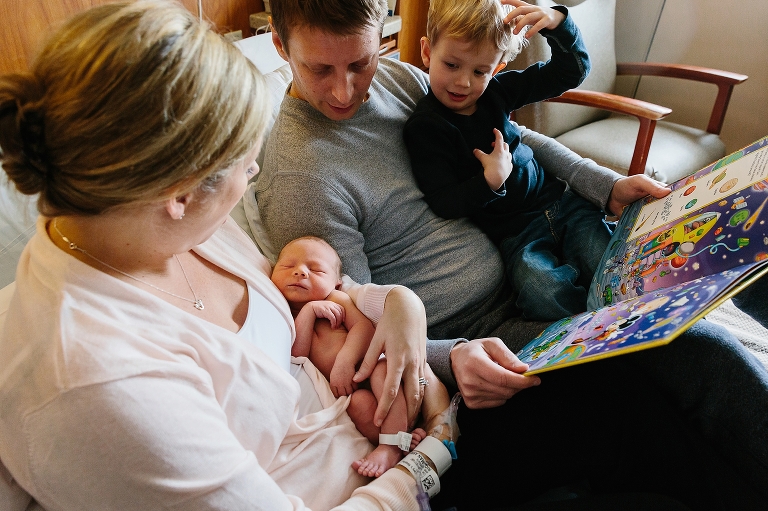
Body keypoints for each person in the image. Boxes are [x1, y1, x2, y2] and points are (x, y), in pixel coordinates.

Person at [254, 0, 768, 508]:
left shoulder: (400, 81)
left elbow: (515, 142)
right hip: (483, 342)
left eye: (359, 63)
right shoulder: (302, 175)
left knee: (704, 316)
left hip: (529, 274)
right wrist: (451, 356)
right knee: (680, 367)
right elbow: (352, 322)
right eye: (320, 69)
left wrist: (604, 185)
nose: (346, 90)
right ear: (280, 45)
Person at [0, 1, 454, 509]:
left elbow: (313, 294)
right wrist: (433, 453)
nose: (254, 175)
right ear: (180, 193)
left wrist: (397, 305)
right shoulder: (104, 383)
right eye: (245, 165)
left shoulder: (170, 231)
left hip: (373, 434)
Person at [403, 0, 612, 321]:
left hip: (562, 204)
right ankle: (593, 341)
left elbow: (572, 71)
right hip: (517, 235)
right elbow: (443, 202)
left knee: (613, 264)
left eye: (480, 71)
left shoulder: (495, 92)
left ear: (497, 67)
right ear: (428, 52)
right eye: (451, 65)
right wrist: (489, 182)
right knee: (543, 294)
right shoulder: (425, 128)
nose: (463, 82)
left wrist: (559, 23)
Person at [270, 236, 453, 478]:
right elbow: (298, 356)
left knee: (381, 371)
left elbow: (364, 329)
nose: (300, 272)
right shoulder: (281, 310)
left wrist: (346, 361)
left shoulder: (336, 299)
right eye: (287, 266)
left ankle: (390, 446)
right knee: (358, 406)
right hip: (353, 393)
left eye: (316, 270)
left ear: (336, 283)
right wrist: (308, 312)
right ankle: (403, 438)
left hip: (370, 369)